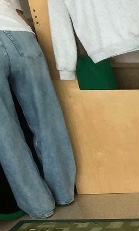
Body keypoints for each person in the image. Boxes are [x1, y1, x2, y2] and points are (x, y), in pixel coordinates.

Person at [0, 0, 75, 219]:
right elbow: (18, 11)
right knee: (47, 120)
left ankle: (40, 205)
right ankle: (64, 193)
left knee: (6, 135)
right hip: (20, 35)